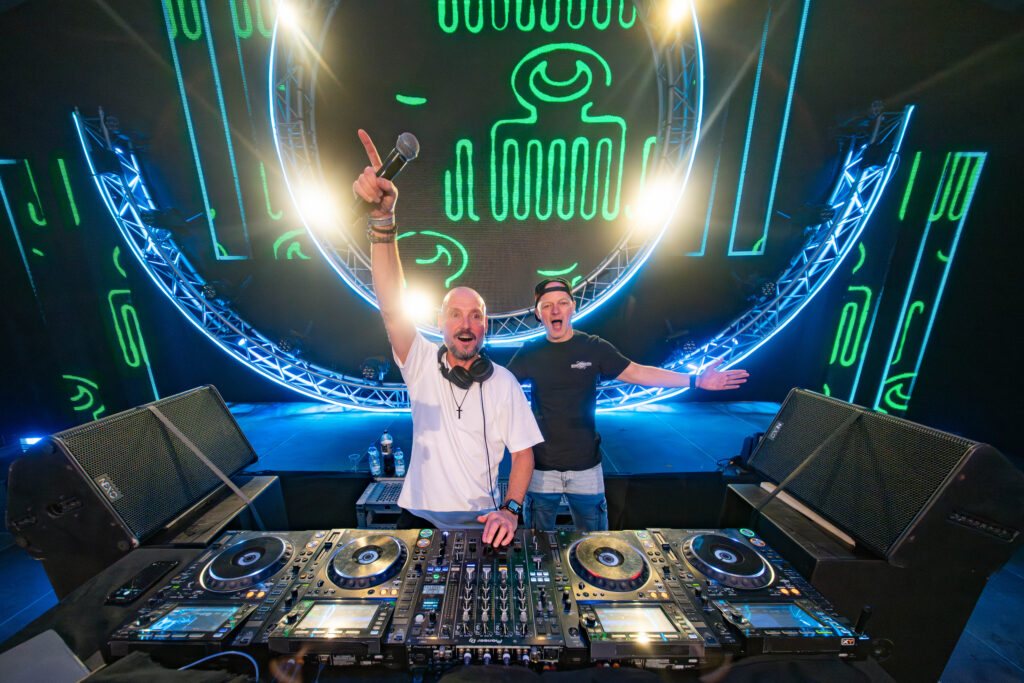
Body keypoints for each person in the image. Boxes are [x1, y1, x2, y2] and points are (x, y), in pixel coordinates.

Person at [352, 129, 542, 546]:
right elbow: (392, 306)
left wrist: (511, 510)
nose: (465, 323)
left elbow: (523, 453)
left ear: (485, 327)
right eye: (455, 314)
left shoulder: (504, 384)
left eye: (475, 316)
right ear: (441, 322)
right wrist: (382, 222)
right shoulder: (420, 361)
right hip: (417, 518)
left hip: (481, 522)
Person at [507, 278, 750, 532]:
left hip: (586, 468)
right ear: (539, 314)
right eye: (547, 306)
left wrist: (696, 380)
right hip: (541, 469)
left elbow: (639, 373)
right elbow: (500, 385)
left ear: (573, 307)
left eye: (562, 303)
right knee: (539, 542)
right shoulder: (530, 352)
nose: (555, 310)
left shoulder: (593, 347)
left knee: (595, 543)